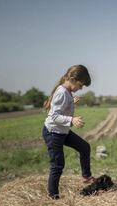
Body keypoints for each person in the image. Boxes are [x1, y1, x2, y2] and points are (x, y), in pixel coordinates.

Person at [42, 64, 94, 199]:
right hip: (53, 132)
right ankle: (53, 197)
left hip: (62, 132)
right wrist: (72, 120)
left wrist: (72, 102)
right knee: (57, 165)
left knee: (84, 147)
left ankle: (86, 177)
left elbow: (63, 107)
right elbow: (54, 116)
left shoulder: (68, 93)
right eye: (81, 85)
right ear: (73, 79)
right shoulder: (61, 92)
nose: (80, 88)